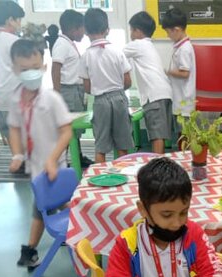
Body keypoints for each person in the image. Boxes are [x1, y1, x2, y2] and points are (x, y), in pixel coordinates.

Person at [99, 157, 222, 277]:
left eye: (184, 212)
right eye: (167, 215)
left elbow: (217, 275)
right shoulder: (127, 244)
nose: (177, 223)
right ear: (143, 209)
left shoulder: (194, 234)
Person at [7, 38, 73, 269]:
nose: (31, 74)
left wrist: (52, 159)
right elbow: (14, 129)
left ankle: (30, 249)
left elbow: (66, 132)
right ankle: (76, 230)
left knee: (43, 207)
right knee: (55, 205)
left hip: (55, 167)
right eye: (24, 69)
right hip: (36, 168)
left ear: (43, 67)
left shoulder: (52, 99)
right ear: (14, 69)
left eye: (35, 68)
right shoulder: (15, 99)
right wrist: (17, 155)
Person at [79, 8, 133, 163]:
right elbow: (128, 80)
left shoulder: (86, 56)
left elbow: (87, 87)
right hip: (119, 99)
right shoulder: (117, 52)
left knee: (101, 146)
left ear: (86, 31)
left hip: (100, 102)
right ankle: (125, 177)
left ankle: (100, 179)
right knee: (122, 144)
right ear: (107, 30)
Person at [124, 11, 173, 155]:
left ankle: (157, 170)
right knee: (160, 135)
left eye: (132, 30)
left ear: (138, 31)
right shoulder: (149, 45)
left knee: (156, 136)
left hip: (154, 95)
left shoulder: (138, 44)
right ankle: (160, 166)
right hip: (164, 93)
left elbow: (115, 54)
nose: (131, 34)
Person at [51, 9, 90, 168]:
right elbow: (55, 68)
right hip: (68, 91)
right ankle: (61, 161)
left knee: (76, 128)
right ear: (74, 28)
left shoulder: (68, 43)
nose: (84, 32)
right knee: (68, 127)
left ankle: (77, 156)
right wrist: (57, 93)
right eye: (83, 28)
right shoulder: (61, 44)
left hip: (76, 90)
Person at [0, 0, 24, 144]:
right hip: (16, 100)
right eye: (19, 19)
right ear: (11, 20)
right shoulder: (15, 42)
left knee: (14, 145)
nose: (20, 23)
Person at [160, 8, 195, 140]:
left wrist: (166, 71)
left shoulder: (184, 49)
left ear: (177, 30)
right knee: (182, 135)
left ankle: (185, 158)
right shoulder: (180, 46)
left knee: (185, 136)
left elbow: (185, 73)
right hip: (180, 99)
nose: (167, 35)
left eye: (168, 32)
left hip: (183, 100)